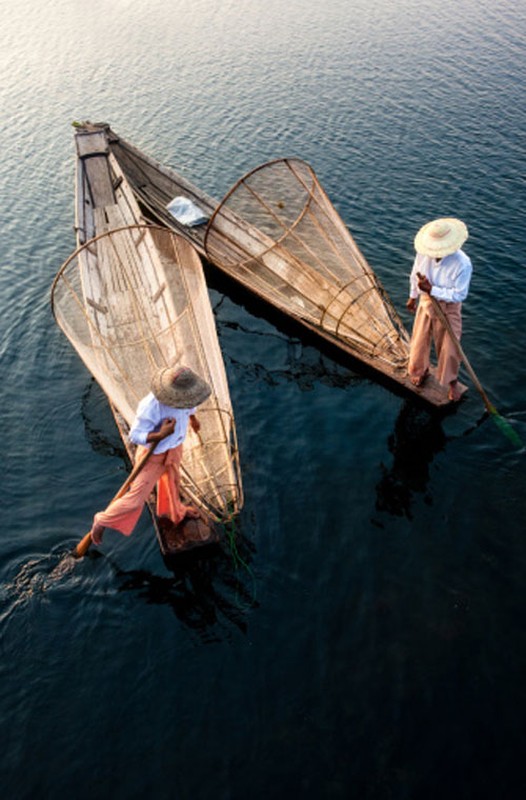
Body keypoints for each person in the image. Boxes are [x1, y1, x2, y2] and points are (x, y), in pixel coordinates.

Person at [89, 365, 211, 546]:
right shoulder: (151, 406)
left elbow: (189, 407)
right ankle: (103, 520)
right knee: (136, 499)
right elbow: (135, 435)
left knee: (173, 484)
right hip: (153, 456)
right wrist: (161, 434)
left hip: (174, 449)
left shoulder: (187, 396)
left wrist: (193, 420)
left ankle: (177, 511)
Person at [406, 217, 472, 402]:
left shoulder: (463, 263)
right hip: (427, 301)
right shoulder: (424, 253)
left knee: (450, 348)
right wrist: (413, 297)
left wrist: (432, 289)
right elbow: (414, 274)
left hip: (448, 307)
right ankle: (420, 370)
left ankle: (452, 382)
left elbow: (459, 295)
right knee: (420, 339)